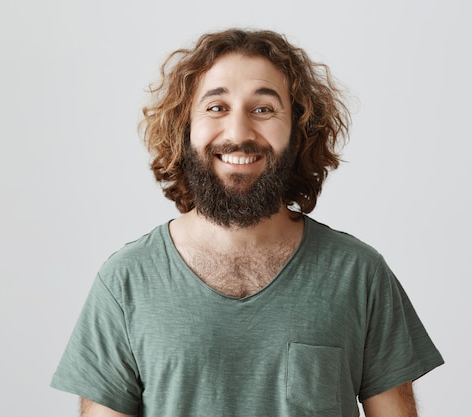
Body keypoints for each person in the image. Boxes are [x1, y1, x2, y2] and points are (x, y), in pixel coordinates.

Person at [51, 28, 444, 417]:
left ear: (299, 129)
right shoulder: (125, 282)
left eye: (263, 109)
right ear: (185, 128)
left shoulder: (360, 274)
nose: (238, 133)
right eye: (216, 107)